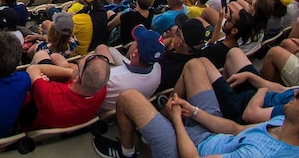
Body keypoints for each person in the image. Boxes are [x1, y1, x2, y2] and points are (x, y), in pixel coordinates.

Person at [93, 61, 299, 158]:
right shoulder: (281, 121)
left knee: (129, 97)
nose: (296, 93)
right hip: (212, 136)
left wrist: (176, 121)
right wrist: (194, 112)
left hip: (189, 151)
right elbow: (236, 129)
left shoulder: (258, 154)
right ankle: (158, 120)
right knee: (194, 66)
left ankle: (126, 153)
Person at [19, 51, 110, 130]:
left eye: (77, 64)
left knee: (41, 55)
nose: (75, 66)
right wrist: (75, 73)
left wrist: (71, 72)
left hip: (27, 119)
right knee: (54, 57)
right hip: (61, 119)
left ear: (77, 78)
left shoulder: (50, 94)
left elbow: (32, 69)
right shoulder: (101, 89)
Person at [97, 24, 165, 111]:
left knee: (100, 49)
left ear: (135, 52)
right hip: (128, 96)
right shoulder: (158, 69)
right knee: (108, 49)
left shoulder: (111, 79)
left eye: (135, 42)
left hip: (105, 109)